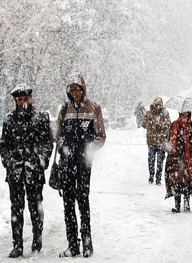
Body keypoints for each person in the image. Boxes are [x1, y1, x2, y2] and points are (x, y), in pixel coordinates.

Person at [55, 72, 106, 258]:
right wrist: (62, 148)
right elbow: (58, 135)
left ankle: (87, 243)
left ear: (83, 89)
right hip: (67, 163)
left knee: (83, 202)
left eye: (78, 89)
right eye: (72, 89)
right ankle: (72, 244)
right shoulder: (64, 110)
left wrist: (88, 151)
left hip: (84, 165)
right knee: (68, 204)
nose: (75, 92)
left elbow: (101, 136)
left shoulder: (94, 108)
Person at [0, 83, 53, 258]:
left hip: (34, 171)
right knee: (16, 208)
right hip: (15, 171)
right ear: (15, 100)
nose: (22, 102)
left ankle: (37, 237)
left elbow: (47, 143)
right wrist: (9, 162)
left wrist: (40, 162)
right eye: (19, 99)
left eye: (24, 99)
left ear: (30, 99)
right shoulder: (9, 120)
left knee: (35, 206)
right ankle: (17, 245)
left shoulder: (40, 117)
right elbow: (4, 146)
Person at [164, 111, 192, 213]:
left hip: (187, 159)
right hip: (175, 158)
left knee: (187, 181)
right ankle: (177, 204)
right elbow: (169, 139)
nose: (184, 118)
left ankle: (187, 203)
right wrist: (168, 148)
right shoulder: (174, 125)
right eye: (182, 115)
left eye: (186, 116)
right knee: (175, 181)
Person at [142, 97, 171, 185]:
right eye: (156, 105)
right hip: (151, 141)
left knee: (160, 162)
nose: (158, 107)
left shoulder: (165, 114)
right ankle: (151, 176)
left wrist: (163, 124)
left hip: (161, 142)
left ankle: (158, 179)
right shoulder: (149, 114)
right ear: (154, 105)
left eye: (159, 106)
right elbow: (143, 124)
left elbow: (169, 124)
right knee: (151, 160)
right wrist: (152, 123)